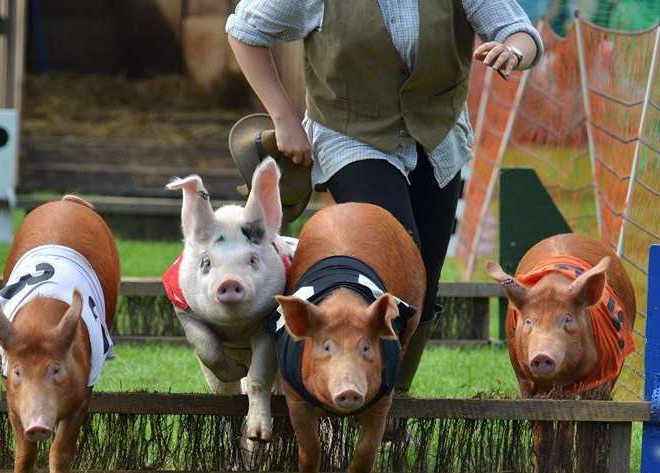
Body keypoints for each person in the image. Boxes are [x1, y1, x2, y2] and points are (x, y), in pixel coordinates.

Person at [226, 0, 544, 395]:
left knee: (424, 280)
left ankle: (394, 399)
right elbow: (245, 31)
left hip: (436, 135)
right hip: (353, 134)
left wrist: (512, 51)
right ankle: (346, 390)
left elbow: (520, 32)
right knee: (396, 258)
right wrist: (284, 118)